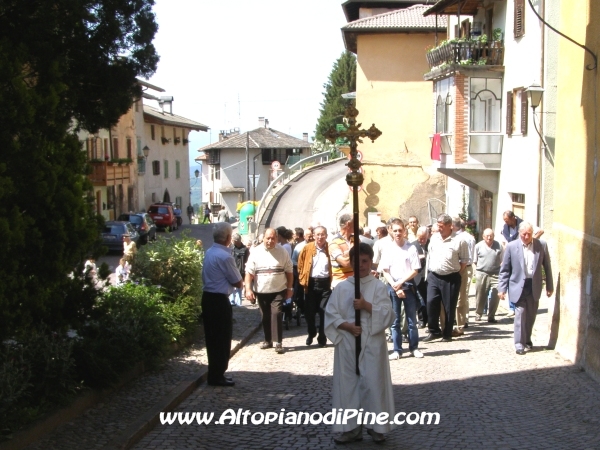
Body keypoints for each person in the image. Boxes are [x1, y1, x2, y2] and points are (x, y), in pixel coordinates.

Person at [325, 243, 395, 444]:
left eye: (365, 261)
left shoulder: (378, 286)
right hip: (347, 343)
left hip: (372, 343)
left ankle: (376, 426)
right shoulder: (342, 287)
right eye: (357, 261)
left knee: (373, 384)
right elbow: (331, 314)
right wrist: (346, 326)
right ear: (352, 262)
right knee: (348, 386)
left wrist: (365, 306)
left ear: (371, 261)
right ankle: (351, 428)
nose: (362, 265)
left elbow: (388, 314)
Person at [498, 222, 553, 355]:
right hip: (517, 286)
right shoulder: (512, 246)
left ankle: (527, 339)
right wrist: (502, 288)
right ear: (520, 234)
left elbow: (547, 266)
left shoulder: (541, 245)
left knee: (531, 316)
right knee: (520, 315)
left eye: (529, 234)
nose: (526, 236)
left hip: (534, 285)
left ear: (532, 233)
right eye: (524, 234)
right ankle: (519, 344)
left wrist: (549, 286)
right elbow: (505, 270)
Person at [201, 222, 243, 387]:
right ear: (228, 238)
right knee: (222, 338)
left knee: (212, 338)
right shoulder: (225, 256)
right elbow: (237, 281)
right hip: (218, 300)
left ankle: (215, 373)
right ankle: (217, 374)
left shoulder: (210, 252)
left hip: (208, 297)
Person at [378, 219, 423, 359]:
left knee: (411, 320)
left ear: (405, 231)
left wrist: (401, 283)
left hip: (408, 286)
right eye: (395, 230)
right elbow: (385, 270)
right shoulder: (388, 249)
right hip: (392, 287)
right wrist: (395, 285)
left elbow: (415, 269)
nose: (398, 233)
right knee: (395, 321)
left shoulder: (411, 248)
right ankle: (397, 349)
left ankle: (414, 347)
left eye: (400, 230)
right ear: (390, 231)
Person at [245, 228, 294, 354]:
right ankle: (268, 340)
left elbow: (289, 271)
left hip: (278, 289)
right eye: (268, 238)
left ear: (277, 239)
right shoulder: (256, 252)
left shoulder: (282, 252)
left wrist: (289, 288)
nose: (270, 241)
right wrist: (248, 289)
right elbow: (249, 272)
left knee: (276, 313)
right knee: (265, 316)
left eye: (273, 238)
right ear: (263, 238)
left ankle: (278, 342)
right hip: (261, 290)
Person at [423, 213, 470, 342]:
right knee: (431, 301)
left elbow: (464, 260)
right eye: (438, 226)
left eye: (442, 226)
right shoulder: (434, 238)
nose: (439, 228)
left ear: (450, 226)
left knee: (449, 305)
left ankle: (447, 333)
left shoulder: (460, 240)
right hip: (434, 275)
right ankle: (434, 331)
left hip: (451, 277)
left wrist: (455, 272)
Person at [298, 226, 332, 347]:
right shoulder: (307, 248)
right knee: (309, 312)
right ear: (313, 236)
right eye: (318, 234)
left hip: (325, 283)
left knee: (324, 312)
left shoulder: (330, 248)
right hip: (311, 283)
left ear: (326, 236)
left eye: (322, 234)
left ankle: (322, 337)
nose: (320, 237)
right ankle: (311, 332)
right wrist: (303, 280)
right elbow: (300, 265)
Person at [473, 229, 503, 323]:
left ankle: (491, 316)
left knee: (496, 295)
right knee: (480, 295)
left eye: (491, 236)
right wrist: (476, 272)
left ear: (494, 236)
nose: (489, 238)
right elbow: (474, 261)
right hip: (482, 273)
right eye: (487, 236)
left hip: (496, 274)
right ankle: (478, 314)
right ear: (483, 236)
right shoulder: (478, 246)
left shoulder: (499, 246)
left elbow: (503, 260)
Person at [453, 217, 476, 336]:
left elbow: (471, 255)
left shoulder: (464, 238)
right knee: (463, 295)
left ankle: (463, 319)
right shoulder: (468, 236)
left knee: (463, 294)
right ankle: (462, 319)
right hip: (465, 267)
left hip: (465, 268)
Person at [412, 226, 430, 328]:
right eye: (420, 238)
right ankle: (422, 319)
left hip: (429, 275)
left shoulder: (431, 244)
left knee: (429, 299)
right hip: (418, 276)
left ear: (428, 236)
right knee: (420, 299)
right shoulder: (413, 245)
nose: (422, 240)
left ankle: (430, 319)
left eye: (424, 238)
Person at [291, 228, 307, 318]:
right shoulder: (298, 246)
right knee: (299, 292)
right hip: (300, 273)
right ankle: (302, 309)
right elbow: (293, 260)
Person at [229, 233, 249, 307]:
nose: (232, 241)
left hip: (241, 271)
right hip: (232, 269)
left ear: (237, 241)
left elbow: (247, 260)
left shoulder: (245, 249)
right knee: (232, 286)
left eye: (233, 240)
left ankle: (238, 302)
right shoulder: (232, 248)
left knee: (239, 287)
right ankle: (232, 301)